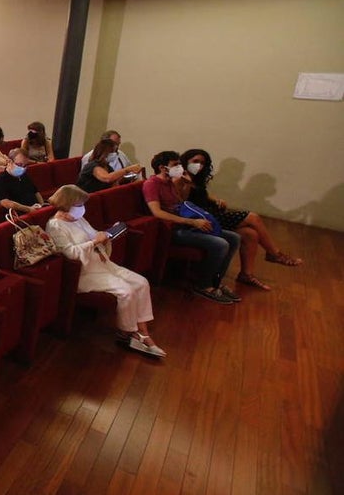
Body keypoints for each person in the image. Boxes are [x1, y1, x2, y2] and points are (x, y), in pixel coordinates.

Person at [47, 185, 164, 357]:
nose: (82, 208)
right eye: (79, 205)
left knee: (141, 282)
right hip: (85, 273)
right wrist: (94, 242)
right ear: (67, 204)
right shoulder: (55, 226)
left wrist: (106, 235)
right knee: (126, 291)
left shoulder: (78, 219)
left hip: (103, 265)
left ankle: (142, 331)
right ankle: (127, 333)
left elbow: (94, 234)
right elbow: (70, 253)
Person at [179, 147, 301, 290]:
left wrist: (215, 199)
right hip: (201, 217)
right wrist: (187, 184)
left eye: (202, 163)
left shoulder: (196, 178)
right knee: (253, 217)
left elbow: (200, 194)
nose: (199, 165)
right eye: (195, 161)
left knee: (250, 234)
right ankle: (274, 253)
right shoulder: (181, 177)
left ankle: (246, 274)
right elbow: (181, 202)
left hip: (209, 213)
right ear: (186, 161)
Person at [143, 150, 241, 304]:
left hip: (184, 224)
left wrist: (187, 184)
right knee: (220, 244)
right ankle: (204, 285)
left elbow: (181, 203)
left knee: (234, 238)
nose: (179, 167)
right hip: (172, 230)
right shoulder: (151, 184)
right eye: (175, 165)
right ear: (162, 167)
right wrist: (191, 222)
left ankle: (216, 281)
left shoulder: (170, 182)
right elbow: (157, 212)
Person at [78, 139, 143, 193]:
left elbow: (114, 184)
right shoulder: (92, 165)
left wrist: (129, 177)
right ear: (105, 152)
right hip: (86, 198)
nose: (116, 154)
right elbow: (107, 178)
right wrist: (127, 169)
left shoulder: (108, 167)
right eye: (113, 151)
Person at [0, 148, 47, 213]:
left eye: (25, 166)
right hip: (22, 213)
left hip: (36, 209)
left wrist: (42, 206)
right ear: (9, 161)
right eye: (19, 165)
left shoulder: (24, 175)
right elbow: (5, 202)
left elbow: (36, 192)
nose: (22, 168)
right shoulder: (0, 179)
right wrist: (29, 209)